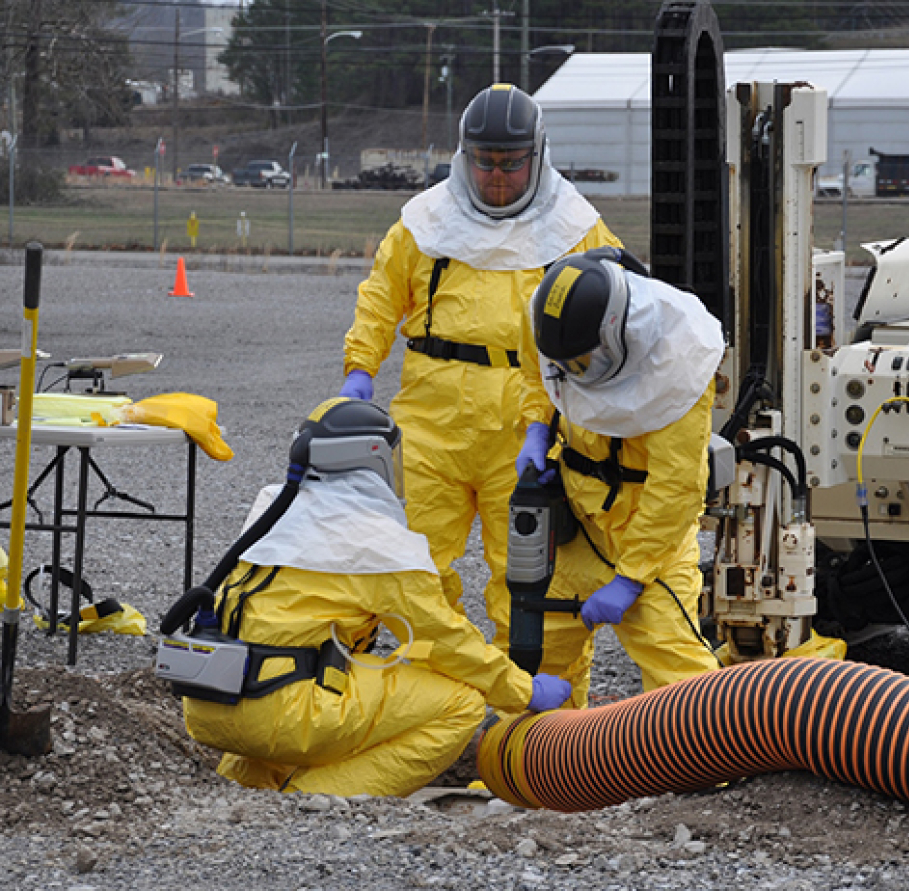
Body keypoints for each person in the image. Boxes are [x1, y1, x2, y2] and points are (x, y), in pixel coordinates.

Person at [338, 84, 622, 656]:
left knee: (529, 579)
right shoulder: (424, 223)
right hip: (429, 425)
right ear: (464, 156)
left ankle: (540, 724)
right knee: (411, 563)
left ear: (537, 157)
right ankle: (436, 689)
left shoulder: (575, 228)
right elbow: (380, 298)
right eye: (485, 162)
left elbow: (622, 307)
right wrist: (359, 370)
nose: (497, 177)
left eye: (512, 165)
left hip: (524, 429)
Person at [179, 398, 571, 797]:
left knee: (319, 669)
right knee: (460, 704)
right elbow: (446, 641)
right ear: (373, 459)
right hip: (282, 713)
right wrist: (523, 690)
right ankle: (309, 801)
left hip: (212, 704)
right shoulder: (373, 541)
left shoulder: (276, 515)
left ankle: (245, 783)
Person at [514, 247, 724, 705]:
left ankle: (705, 771)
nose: (573, 375)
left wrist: (630, 578)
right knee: (539, 658)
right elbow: (538, 371)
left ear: (615, 333)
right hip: (575, 526)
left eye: (582, 365)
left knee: (679, 674)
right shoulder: (547, 317)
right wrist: (535, 427)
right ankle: (536, 768)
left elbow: (676, 490)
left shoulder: (679, 363)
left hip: (648, 544)